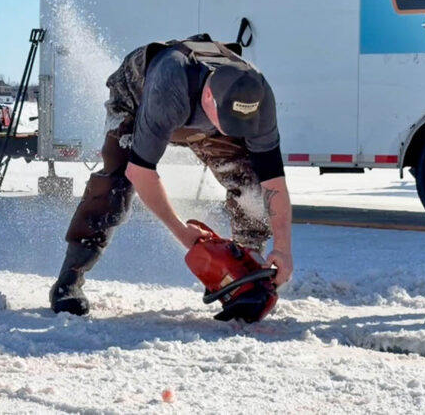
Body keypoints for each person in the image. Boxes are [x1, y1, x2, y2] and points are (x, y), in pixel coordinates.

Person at [49, 34, 294, 320]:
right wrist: (182, 231)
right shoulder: (170, 88)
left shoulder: (257, 95)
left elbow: (273, 182)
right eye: (229, 123)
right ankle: (70, 279)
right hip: (137, 97)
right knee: (115, 184)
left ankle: (245, 277)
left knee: (250, 184)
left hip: (201, 114)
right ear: (208, 97)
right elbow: (141, 172)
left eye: (239, 125)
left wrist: (283, 248)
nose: (233, 130)